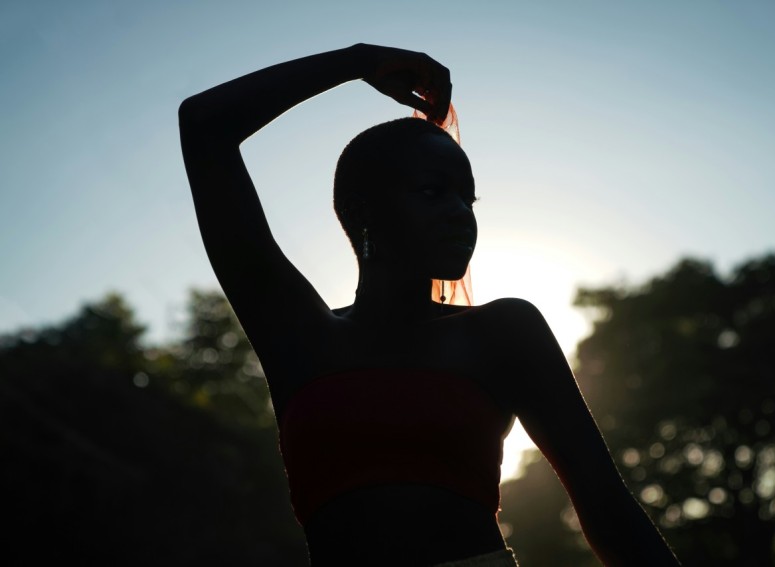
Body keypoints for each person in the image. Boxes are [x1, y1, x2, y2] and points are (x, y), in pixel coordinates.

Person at [178, 43, 681, 567]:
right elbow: (204, 126)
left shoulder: (505, 331)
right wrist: (355, 61)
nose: (461, 214)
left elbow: (608, 510)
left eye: (468, 198)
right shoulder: (298, 335)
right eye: (432, 192)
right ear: (360, 210)